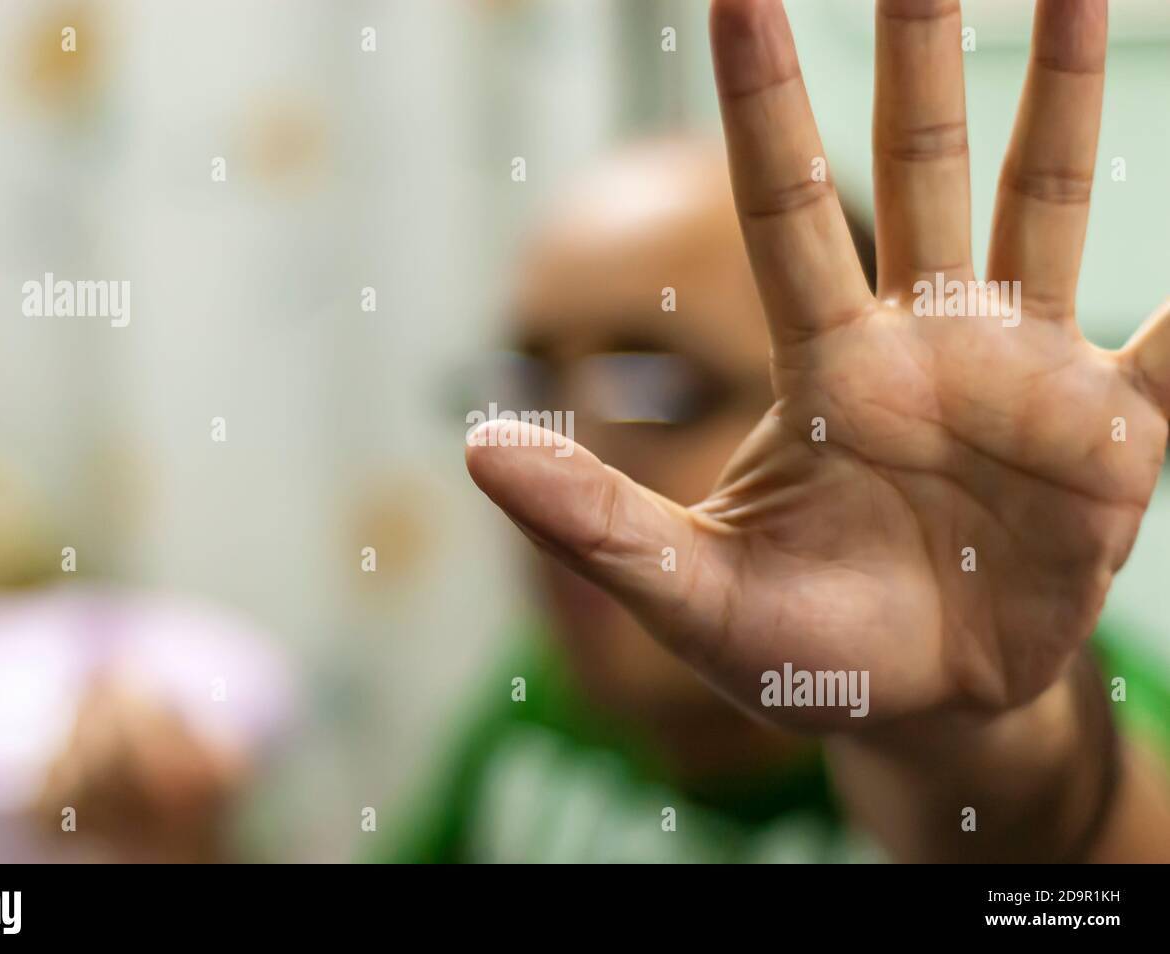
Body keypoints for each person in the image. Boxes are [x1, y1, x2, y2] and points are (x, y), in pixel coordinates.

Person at [389, 0, 1170, 862]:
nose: (567, 449)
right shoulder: (541, 712)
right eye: (528, 383)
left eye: (655, 386)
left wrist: (959, 735)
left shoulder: (1050, 678)